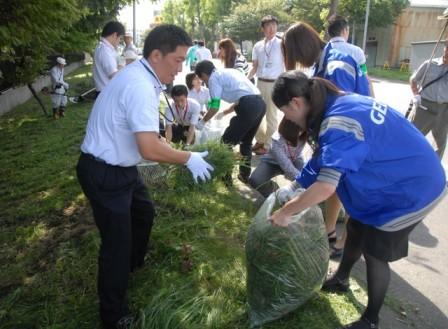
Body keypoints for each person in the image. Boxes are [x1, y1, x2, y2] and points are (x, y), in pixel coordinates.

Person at [270, 71, 446, 329]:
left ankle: (371, 319)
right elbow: (325, 158)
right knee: (355, 226)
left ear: (296, 102)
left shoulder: (338, 121)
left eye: (285, 111)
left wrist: (287, 211)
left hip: (415, 189)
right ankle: (341, 278)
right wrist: (297, 185)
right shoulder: (337, 104)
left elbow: (326, 187)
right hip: (397, 176)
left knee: (375, 251)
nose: (288, 118)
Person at [76, 25, 214, 329]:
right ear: (155, 54)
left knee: (144, 213)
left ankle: (132, 265)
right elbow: (149, 148)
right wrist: (187, 157)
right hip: (104, 172)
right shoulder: (139, 86)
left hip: (122, 168)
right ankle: (113, 316)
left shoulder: (141, 76)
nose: (181, 69)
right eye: (177, 60)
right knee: (116, 244)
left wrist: (176, 149)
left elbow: (148, 137)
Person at [195, 60, 266, 182]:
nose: (205, 82)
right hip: (260, 104)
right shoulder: (229, 71)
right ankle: (244, 176)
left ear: (203, 75)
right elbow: (242, 97)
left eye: (202, 79)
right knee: (246, 142)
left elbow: (215, 106)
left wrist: (203, 121)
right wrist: (225, 113)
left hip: (248, 106)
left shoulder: (213, 79)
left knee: (226, 143)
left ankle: (226, 178)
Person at [248, 15, 285, 155]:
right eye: (268, 26)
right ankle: (260, 140)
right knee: (257, 113)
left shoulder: (282, 44)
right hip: (259, 82)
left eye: (274, 25)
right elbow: (254, 66)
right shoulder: (258, 46)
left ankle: (269, 145)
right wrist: (246, 80)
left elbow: (287, 64)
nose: (271, 29)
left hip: (274, 83)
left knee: (271, 115)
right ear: (262, 28)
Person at [248, 117, 306, 197]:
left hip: (295, 160)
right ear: (287, 128)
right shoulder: (276, 139)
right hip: (272, 162)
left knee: (304, 181)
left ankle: (296, 199)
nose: (300, 133)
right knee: (255, 180)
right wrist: (303, 181)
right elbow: (287, 166)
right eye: (298, 130)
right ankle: (276, 193)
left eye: (302, 130)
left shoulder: (304, 135)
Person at [410, 39, 448, 158]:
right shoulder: (429, 64)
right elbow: (414, 80)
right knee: (413, 137)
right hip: (425, 107)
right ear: (444, 48)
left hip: (444, 109)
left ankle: (434, 170)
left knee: (440, 143)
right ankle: (405, 163)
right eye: (447, 47)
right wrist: (416, 95)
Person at [93, 21, 125, 97]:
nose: (119, 41)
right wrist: (122, 64)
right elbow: (114, 76)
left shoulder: (104, 48)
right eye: (120, 38)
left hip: (105, 92)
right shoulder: (105, 51)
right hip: (107, 93)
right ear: (114, 35)